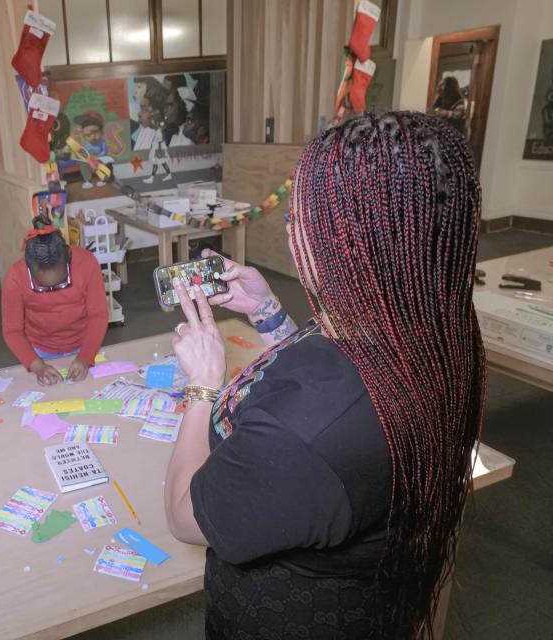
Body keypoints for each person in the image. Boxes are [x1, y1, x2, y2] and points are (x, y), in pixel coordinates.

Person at [164, 112, 484, 638]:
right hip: (372, 596)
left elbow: (183, 516)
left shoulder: (307, 428)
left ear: (351, 239)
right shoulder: (436, 326)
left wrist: (203, 386)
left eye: (300, 218)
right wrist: (268, 313)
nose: (290, 231)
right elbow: (339, 380)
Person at [1, 215, 108, 386]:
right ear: (28, 267)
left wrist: (85, 357)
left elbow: (98, 316)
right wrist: (36, 365)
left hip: (85, 343)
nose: (52, 291)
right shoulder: (15, 277)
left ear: (68, 258)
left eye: (61, 283)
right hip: (38, 350)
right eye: (43, 287)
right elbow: (12, 331)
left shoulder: (87, 263)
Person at [75, 112, 115, 189]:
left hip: (100, 162)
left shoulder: (102, 142)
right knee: (83, 163)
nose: (93, 137)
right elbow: (84, 153)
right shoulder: (86, 144)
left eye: (96, 133)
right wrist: (83, 156)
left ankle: (103, 179)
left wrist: (98, 157)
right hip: (91, 163)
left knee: (106, 163)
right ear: (85, 136)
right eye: (89, 135)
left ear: (101, 133)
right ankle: (87, 181)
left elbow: (104, 152)